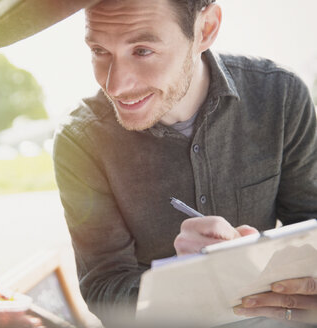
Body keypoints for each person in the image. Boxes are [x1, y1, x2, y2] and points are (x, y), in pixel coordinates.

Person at [52, 0, 317, 326]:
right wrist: (180, 278)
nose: (116, 86)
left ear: (205, 29)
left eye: (142, 51)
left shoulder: (281, 97)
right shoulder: (81, 140)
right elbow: (103, 287)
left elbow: (311, 222)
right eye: (99, 50)